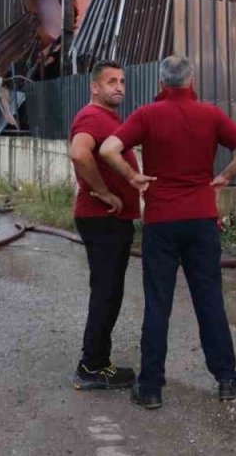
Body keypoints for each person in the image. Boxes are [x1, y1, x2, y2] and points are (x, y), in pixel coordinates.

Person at [99, 55, 236, 410]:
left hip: (161, 222)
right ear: (191, 81)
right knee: (209, 299)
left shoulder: (146, 115)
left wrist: (132, 176)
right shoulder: (210, 114)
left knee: (158, 303)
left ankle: (150, 388)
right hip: (202, 220)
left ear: (161, 83)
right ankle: (226, 379)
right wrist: (225, 176)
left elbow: (108, 149)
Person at [68, 60, 142, 390]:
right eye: (111, 81)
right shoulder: (91, 116)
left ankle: (97, 361)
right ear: (94, 87)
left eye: (122, 81)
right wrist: (102, 191)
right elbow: (79, 154)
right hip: (102, 219)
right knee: (106, 292)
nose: (119, 87)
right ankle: (92, 366)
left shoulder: (108, 119)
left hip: (112, 220)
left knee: (109, 291)